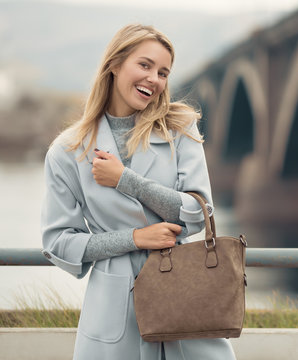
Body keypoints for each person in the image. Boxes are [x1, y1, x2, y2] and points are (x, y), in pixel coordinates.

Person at [41, 24, 236, 359]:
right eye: (144, 65)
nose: (154, 79)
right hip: (113, 310)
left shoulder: (180, 128)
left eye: (163, 72)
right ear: (114, 65)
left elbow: (196, 213)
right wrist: (135, 238)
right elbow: (58, 243)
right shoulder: (67, 151)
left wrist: (125, 179)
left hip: (185, 298)